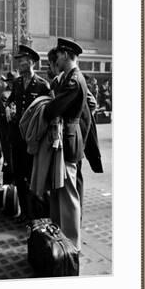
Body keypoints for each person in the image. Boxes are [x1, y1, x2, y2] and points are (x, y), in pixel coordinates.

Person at [43, 38, 88, 252]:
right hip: (68, 138)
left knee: (69, 193)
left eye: (59, 54)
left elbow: (52, 110)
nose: (56, 58)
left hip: (69, 140)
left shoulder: (73, 80)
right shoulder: (70, 77)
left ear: (66, 54)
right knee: (62, 190)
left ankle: (72, 246)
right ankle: (63, 239)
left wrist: (44, 107)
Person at [5, 44, 50, 224]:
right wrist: (7, 108)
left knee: (33, 176)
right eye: (18, 60)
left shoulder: (42, 85)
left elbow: (47, 112)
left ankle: (36, 215)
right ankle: (24, 212)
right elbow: (9, 100)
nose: (19, 64)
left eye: (22, 60)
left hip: (33, 140)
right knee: (19, 176)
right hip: (17, 137)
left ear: (31, 62)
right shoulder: (16, 83)